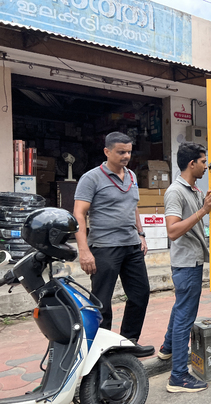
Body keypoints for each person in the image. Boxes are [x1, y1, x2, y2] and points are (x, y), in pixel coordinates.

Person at [73, 132, 154, 357]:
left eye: (128, 151)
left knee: (141, 294)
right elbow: (79, 214)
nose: (126, 156)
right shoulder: (91, 178)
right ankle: (102, 349)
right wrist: (84, 250)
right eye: (121, 152)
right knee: (102, 301)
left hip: (131, 245)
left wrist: (141, 234)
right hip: (104, 247)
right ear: (107, 152)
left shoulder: (132, 176)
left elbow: (133, 206)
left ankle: (128, 341)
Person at [157, 142, 211, 393]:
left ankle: (167, 349)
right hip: (185, 263)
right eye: (203, 161)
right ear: (191, 163)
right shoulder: (175, 192)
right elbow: (172, 231)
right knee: (185, 317)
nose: (207, 166)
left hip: (191, 260)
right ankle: (179, 377)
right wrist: (203, 210)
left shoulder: (192, 190)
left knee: (180, 308)